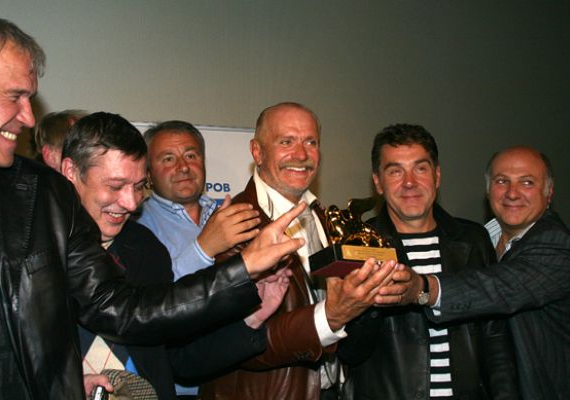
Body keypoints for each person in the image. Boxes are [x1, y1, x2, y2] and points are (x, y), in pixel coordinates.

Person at [0, 14, 305, 399]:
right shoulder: (45, 205)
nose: (29, 117)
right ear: (71, 172)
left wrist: (244, 277)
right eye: (14, 96)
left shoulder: (39, 196)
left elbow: (132, 319)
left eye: (138, 186)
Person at [61, 111, 287, 399]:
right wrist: (60, 386)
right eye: (115, 186)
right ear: (71, 172)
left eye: (138, 187)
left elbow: (179, 362)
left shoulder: (146, 247)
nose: (131, 203)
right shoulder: (30, 252)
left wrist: (252, 319)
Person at [200, 102, 400, 400]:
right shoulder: (235, 225)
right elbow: (231, 343)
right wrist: (329, 317)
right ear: (257, 152)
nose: (301, 154)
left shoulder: (325, 218)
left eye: (311, 142)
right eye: (286, 142)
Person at [337, 124, 518, 399]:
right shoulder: (357, 246)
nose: (409, 182)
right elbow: (349, 353)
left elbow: (495, 337)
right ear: (378, 182)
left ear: (437, 176)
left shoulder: (473, 240)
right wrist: (368, 300)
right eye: (395, 171)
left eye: (420, 168)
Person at [379, 145, 570, 399]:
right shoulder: (480, 239)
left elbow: (498, 288)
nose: (512, 193)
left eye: (527, 182)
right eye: (502, 181)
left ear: (549, 192)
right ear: (488, 190)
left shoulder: (557, 244)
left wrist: (424, 288)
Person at [138, 120, 262, 398]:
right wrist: (204, 247)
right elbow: (147, 305)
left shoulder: (232, 213)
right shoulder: (136, 225)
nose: (183, 167)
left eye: (191, 155)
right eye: (168, 158)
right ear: (148, 173)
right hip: (177, 387)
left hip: (236, 378)